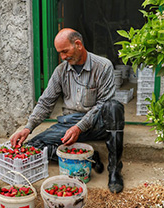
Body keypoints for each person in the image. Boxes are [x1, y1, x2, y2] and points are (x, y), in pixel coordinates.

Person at [10, 28, 125, 193]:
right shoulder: (60, 71)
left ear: (78, 44)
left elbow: (102, 104)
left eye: (65, 51)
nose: (63, 57)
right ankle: (89, 159)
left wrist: (79, 127)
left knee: (114, 107)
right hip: (70, 124)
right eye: (60, 53)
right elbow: (45, 102)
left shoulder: (102, 66)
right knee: (33, 145)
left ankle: (115, 170)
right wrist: (28, 127)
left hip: (97, 123)